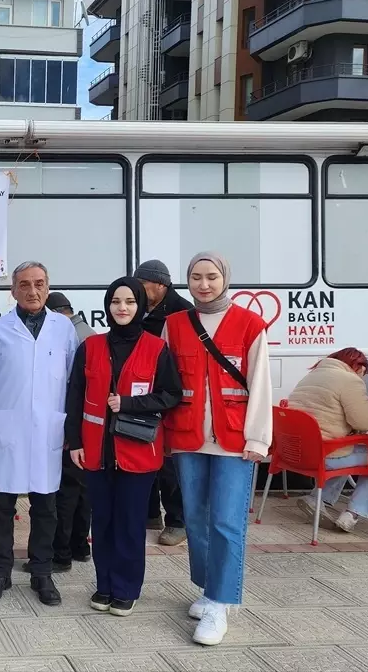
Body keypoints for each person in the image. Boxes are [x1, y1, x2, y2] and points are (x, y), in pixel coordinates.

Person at [162, 252, 272, 646]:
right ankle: (209, 590)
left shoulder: (249, 324)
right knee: (194, 518)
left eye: (211, 277)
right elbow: (165, 385)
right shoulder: (174, 325)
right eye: (195, 277)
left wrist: (259, 438)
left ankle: (220, 603)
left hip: (234, 440)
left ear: (225, 278)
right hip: (188, 437)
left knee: (226, 522)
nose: (203, 284)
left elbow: (261, 383)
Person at [66, 277, 182, 616]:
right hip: (96, 452)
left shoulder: (157, 349)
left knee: (130, 525)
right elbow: (75, 397)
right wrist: (74, 441)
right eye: (116, 301)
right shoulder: (90, 347)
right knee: (101, 523)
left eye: (130, 301)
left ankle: (127, 588)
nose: (122, 307)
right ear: (107, 305)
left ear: (140, 307)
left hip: (138, 453)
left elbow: (171, 394)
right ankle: (104, 585)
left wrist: (130, 403)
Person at [0, 262, 79, 606]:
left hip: (50, 427)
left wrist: (72, 429)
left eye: (39, 284)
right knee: (2, 503)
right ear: (13, 290)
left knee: (46, 504)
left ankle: (42, 572)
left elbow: (74, 382)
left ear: (48, 287)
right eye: (24, 285)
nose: (32, 291)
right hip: (7, 428)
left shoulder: (63, 329)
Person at [287, 348, 368, 532]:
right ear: (358, 367)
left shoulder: (313, 375)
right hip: (323, 455)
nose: (362, 378)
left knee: (347, 448)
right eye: (363, 374)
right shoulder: (349, 380)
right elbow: (364, 420)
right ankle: (353, 513)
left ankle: (318, 499)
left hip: (296, 452)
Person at [135, 259, 193, 546]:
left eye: (143, 285)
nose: (139, 291)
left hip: (172, 396)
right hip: (147, 395)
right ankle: (149, 514)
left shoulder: (181, 313)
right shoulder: (145, 311)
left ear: (160, 284)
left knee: (170, 464)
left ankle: (178, 522)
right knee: (146, 453)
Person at [45, 291, 95, 571]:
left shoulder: (72, 337)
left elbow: (71, 389)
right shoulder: (88, 332)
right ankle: (80, 546)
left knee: (65, 492)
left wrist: (67, 429)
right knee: (81, 491)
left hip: (72, 426)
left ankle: (60, 553)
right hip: (89, 426)